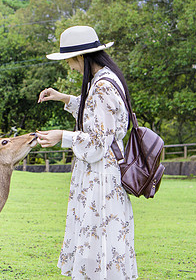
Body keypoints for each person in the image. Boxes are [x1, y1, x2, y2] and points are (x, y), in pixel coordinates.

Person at [36, 26, 138, 279]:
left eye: (69, 60)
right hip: (104, 171)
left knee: (98, 235)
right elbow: (97, 113)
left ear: (81, 57)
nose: (70, 66)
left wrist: (63, 136)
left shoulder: (102, 86)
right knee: (104, 235)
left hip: (101, 175)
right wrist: (64, 99)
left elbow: (97, 141)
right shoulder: (106, 79)